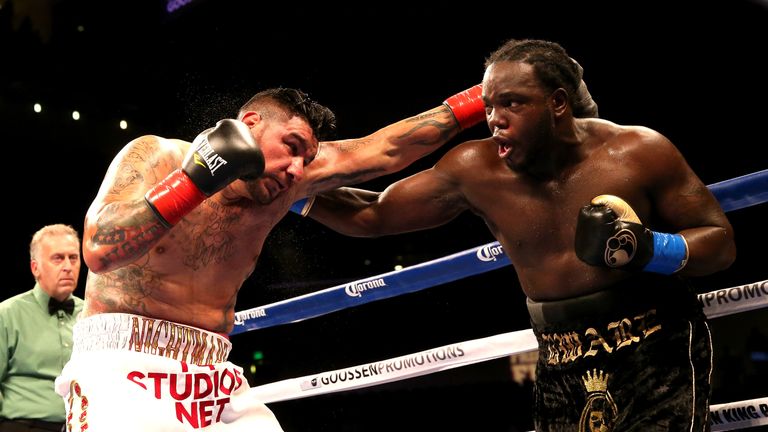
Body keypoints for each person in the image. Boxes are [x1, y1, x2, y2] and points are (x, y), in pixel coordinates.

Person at [300, 39, 736, 431]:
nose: (495, 120)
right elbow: (371, 214)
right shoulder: (474, 168)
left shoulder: (637, 152)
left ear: (558, 103)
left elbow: (719, 242)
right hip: (558, 354)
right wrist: (286, 189)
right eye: (489, 106)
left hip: (656, 342)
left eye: (512, 104)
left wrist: (645, 248)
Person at [54, 85, 503, 431]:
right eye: (291, 146)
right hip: (124, 359)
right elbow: (99, 249)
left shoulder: (290, 179)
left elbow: (386, 149)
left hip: (211, 369)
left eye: (307, 159)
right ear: (248, 123)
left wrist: (489, 95)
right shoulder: (158, 156)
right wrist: (197, 181)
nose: (297, 169)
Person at [0, 224, 83, 432]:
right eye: (58, 258)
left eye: (73, 258)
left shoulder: (93, 316)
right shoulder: (7, 313)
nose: (67, 266)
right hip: (22, 425)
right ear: (35, 268)